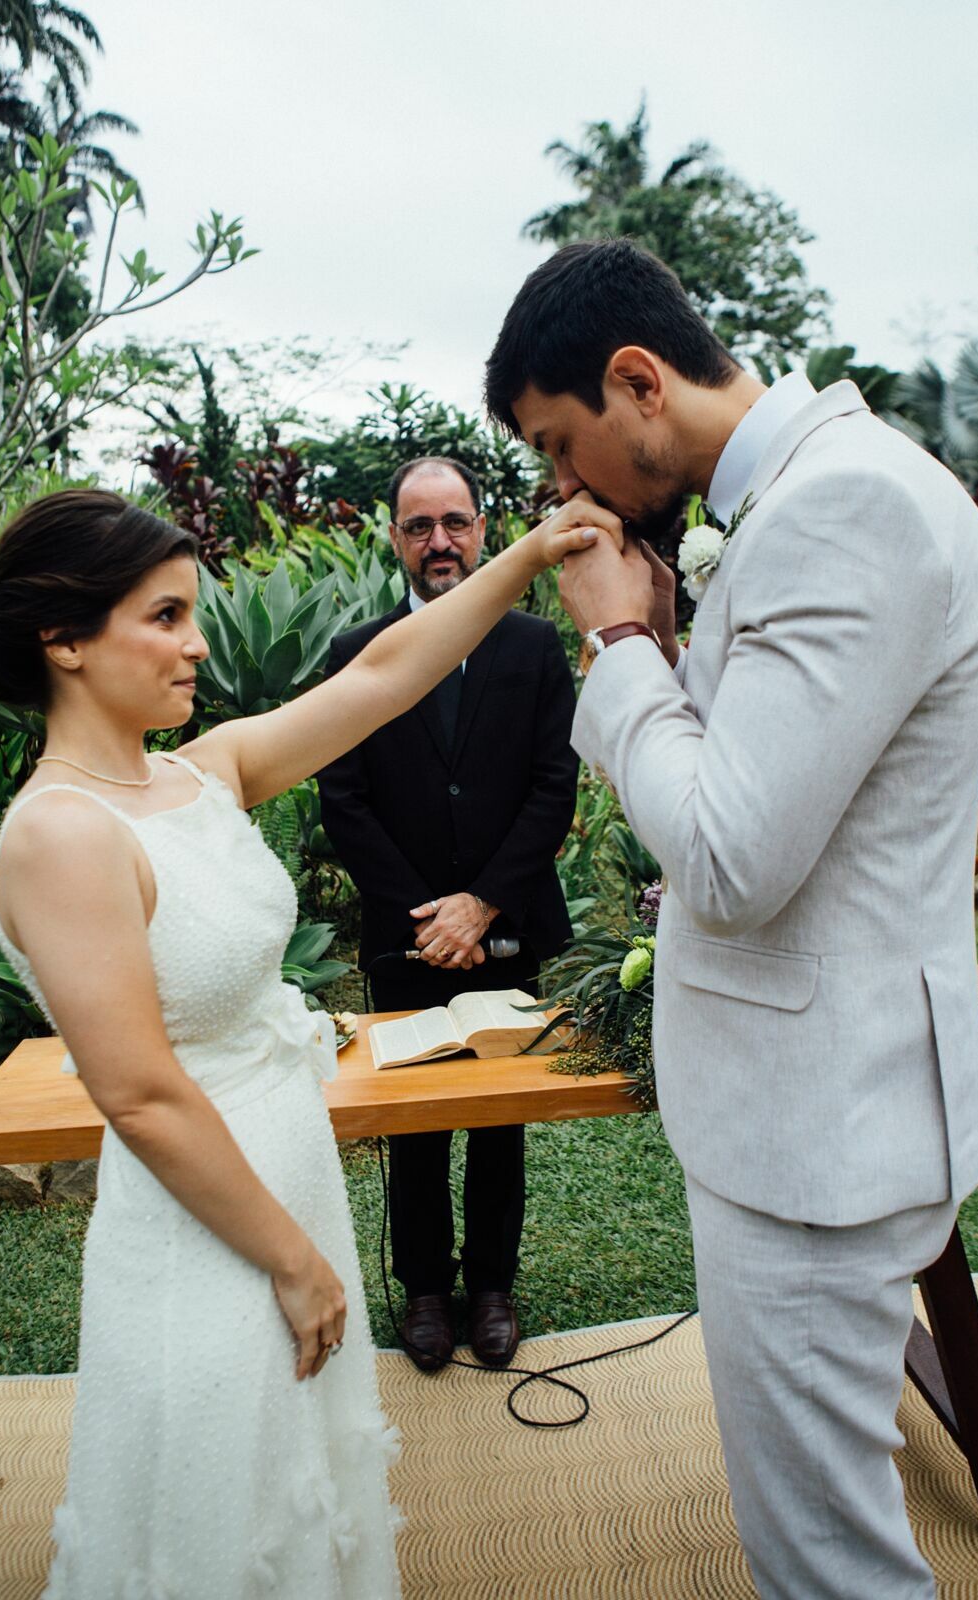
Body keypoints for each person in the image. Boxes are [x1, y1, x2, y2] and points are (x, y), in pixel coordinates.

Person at [0, 488, 606, 1600]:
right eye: (164, 617)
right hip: (209, 1226)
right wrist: (291, 1261)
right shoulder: (61, 834)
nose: (197, 644)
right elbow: (140, 1094)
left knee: (297, 1490)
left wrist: (530, 556)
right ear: (64, 641)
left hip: (286, 1175)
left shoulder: (196, 774)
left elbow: (382, 677)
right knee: (221, 1507)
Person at [484, 239, 978, 1600]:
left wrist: (617, 648)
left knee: (822, 1560)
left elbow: (724, 858)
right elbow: (763, 781)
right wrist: (664, 645)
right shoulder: (806, 494)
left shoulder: (842, 507)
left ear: (636, 380)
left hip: (816, 1129)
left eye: (559, 443)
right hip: (817, 1102)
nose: (562, 488)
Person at [318, 457, 578, 1373]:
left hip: (509, 922)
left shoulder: (533, 648)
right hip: (407, 936)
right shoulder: (357, 651)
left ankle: (494, 1287)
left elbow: (554, 785)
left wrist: (483, 902)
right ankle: (427, 1289)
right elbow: (343, 798)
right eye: (420, 526)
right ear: (395, 537)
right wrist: (429, 918)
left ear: (482, 529)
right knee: (414, 1121)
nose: (440, 542)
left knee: (500, 1118)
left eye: (455, 522)